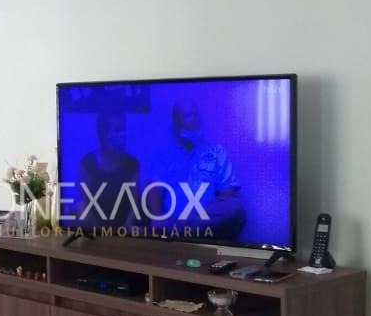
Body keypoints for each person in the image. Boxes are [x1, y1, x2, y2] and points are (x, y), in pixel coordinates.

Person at [158, 99, 246, 240]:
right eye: (188, 115)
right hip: (175, 214)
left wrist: (204, 212)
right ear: (177, 122)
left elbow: (228, 190)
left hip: (203, 219)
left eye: (196, 114)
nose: (194, 120)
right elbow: (153, 187)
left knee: (236, 206)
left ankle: (176, 227)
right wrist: (156, 216)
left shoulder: (216, 150)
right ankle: (174, 227)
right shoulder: (164, 152)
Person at [77, 112, 141, 228]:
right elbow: (83, 202)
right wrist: (99, 232)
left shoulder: (132, 164)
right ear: (102, 134)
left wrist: (126, 228)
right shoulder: (87, 163)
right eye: (116, 130)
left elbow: (134, 204)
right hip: (94, 231)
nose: (121, 135)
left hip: (125, 231)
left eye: (123, 129)